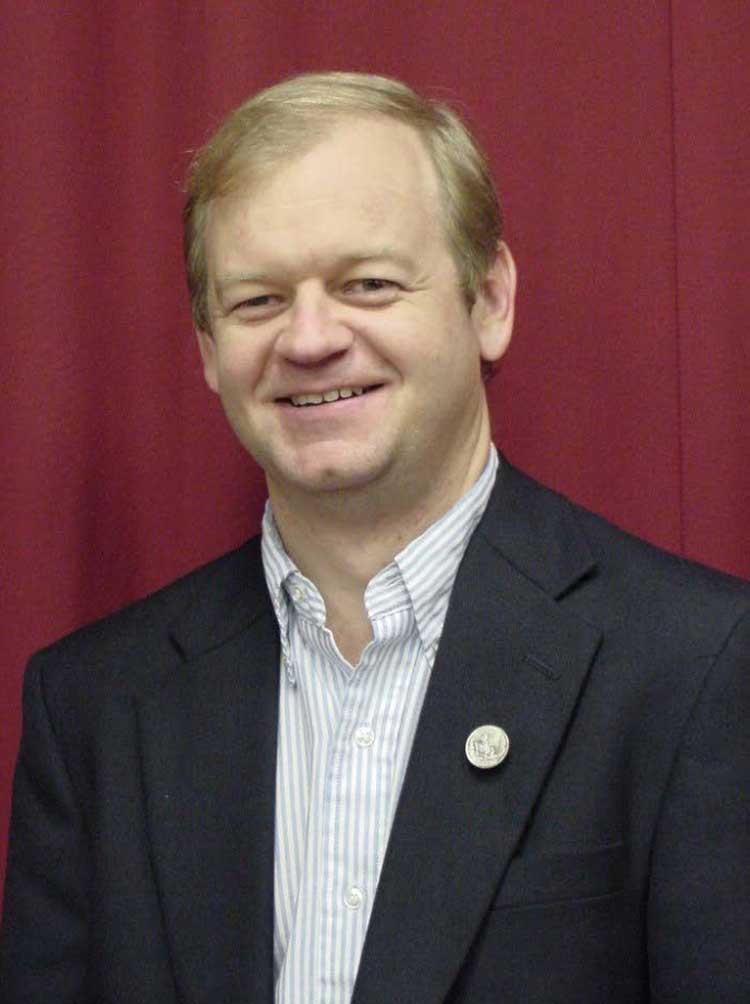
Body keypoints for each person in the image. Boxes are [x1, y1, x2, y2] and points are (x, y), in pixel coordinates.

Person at [1, 71, 748, 1004]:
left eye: (369, 283)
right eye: (257, 301)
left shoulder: (699, 668)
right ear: (206, 350)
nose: (310, 338)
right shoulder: (94, 710)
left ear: (490, 302)